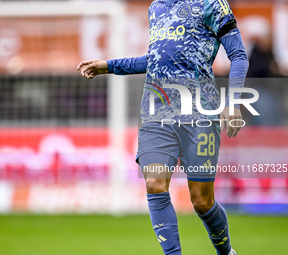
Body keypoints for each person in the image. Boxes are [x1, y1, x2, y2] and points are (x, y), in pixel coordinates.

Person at [77, 0, 248, 254]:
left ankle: (226, 251)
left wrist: (233, 101)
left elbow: (238, 55)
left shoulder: (212, 4)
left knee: (202, 201)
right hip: (156, 111)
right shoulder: (156, 6)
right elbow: (156, 59)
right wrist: (109, 66)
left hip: (199, 112)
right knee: (155, 183)